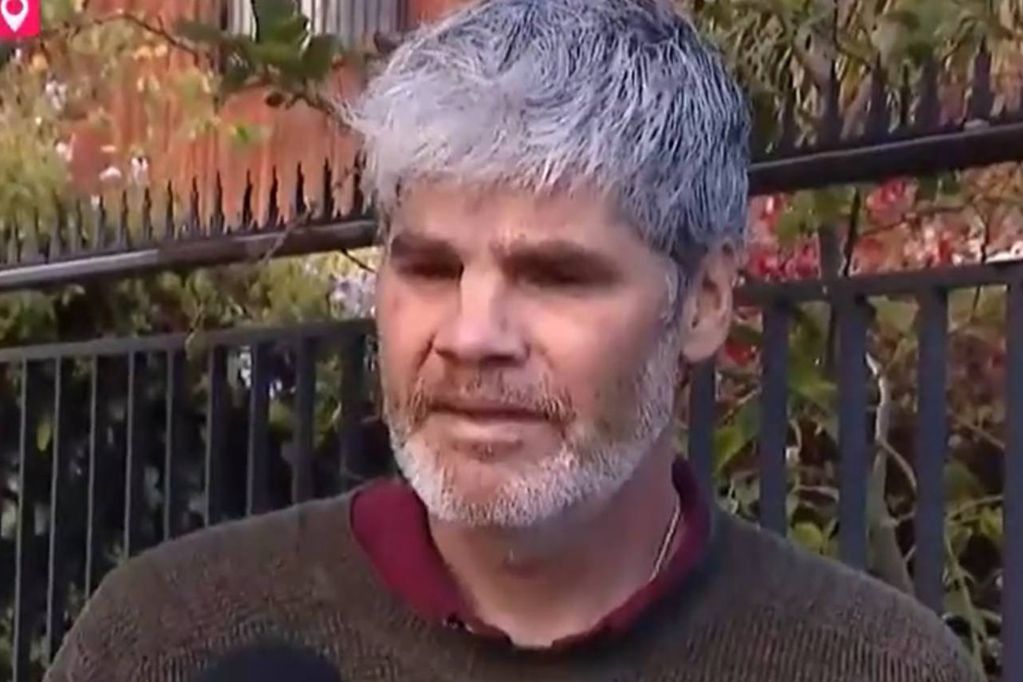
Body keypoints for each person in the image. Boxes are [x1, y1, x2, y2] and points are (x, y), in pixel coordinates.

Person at [47, 0, 983, 680]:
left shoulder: (872, 665)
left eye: (554, 276)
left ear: (703, 301)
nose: (471, 335)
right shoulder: (167, 639)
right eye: (429, 268)